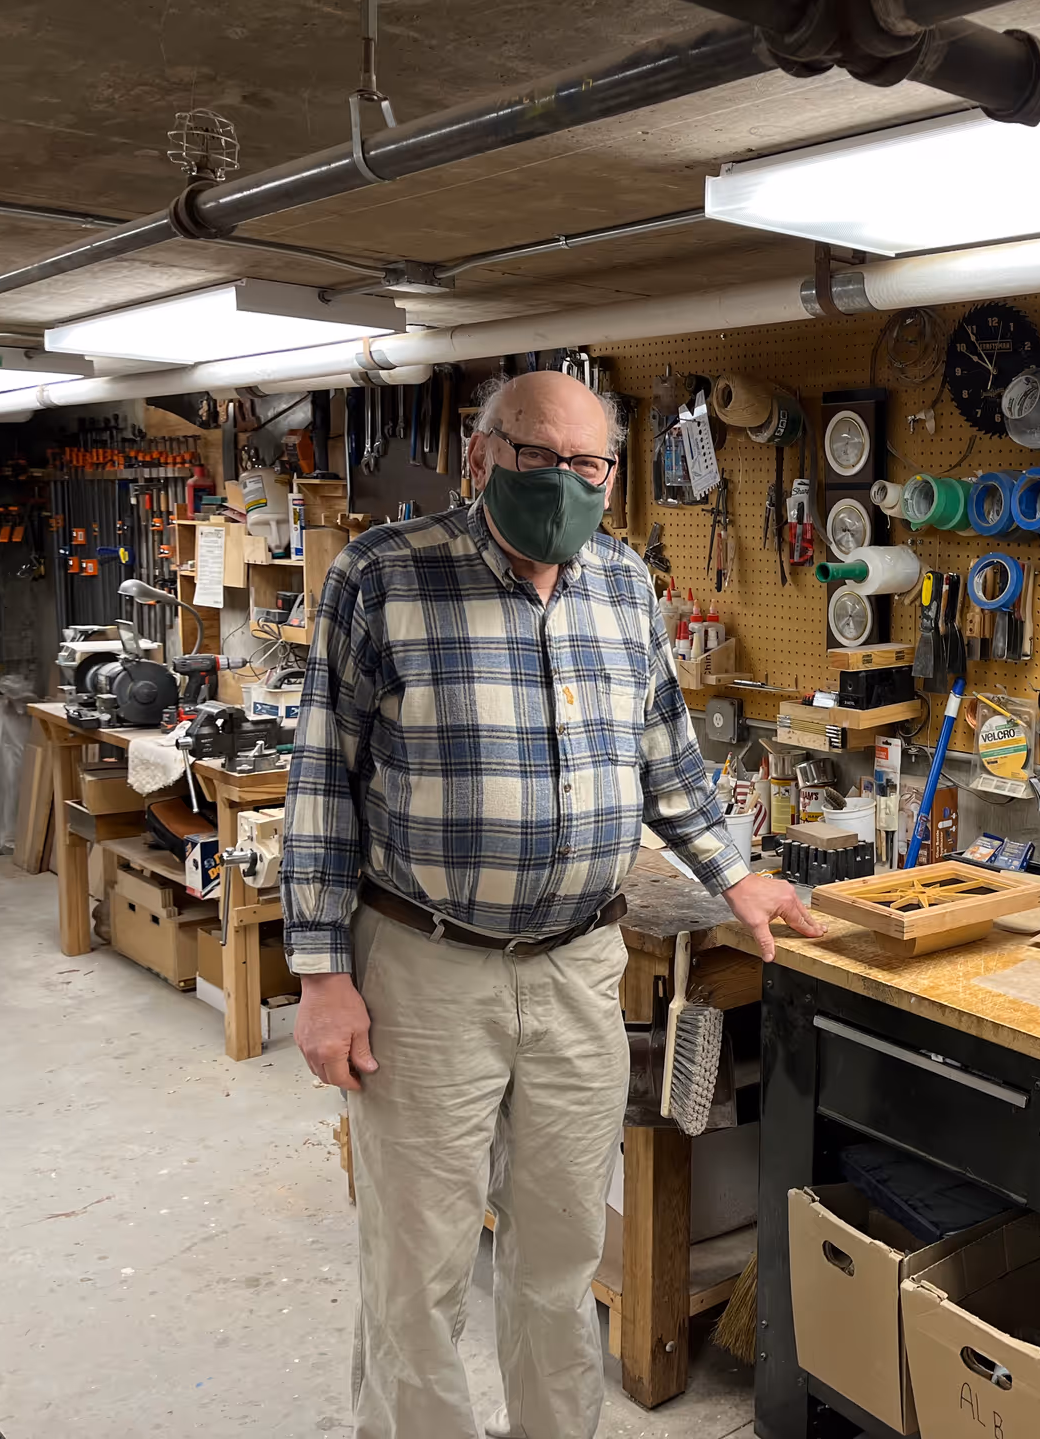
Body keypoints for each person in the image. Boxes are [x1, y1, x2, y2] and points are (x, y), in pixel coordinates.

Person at [281, 369, 822, 1439]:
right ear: (482, 459)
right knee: (419, 1272)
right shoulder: (383, 576)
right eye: (543, 460)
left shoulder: (624, 584)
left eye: (592, 467)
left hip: (579, 969)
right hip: (425, 969)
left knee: (561, 1261)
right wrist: (321, 976)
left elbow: (664, 752)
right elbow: (319, 781)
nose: (570, 485)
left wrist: (735, 870)